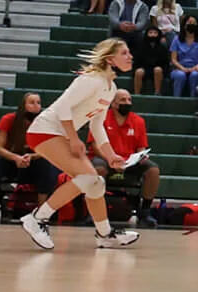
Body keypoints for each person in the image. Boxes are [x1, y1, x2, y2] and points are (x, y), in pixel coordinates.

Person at [15, 40, 140, 250]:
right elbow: (63, 106)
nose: (130, 56)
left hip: (60, 134)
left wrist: (111, 156)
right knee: (89, 178)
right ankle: (37, 218)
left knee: (95, 183)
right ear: (110, 59)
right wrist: (73, 138)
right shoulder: (91, 79)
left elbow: (97, 125)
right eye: (124, 53)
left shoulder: (111, 88)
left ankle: (104, 234)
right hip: (44, 130)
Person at [0, 92, 60, 223]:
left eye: (38, 103)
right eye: (32, 102)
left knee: (46, 163)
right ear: (23, 105)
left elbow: (49, 149)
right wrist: (16, 158)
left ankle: (42, 212)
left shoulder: (45, 122)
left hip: (33, 162)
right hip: (11, 162)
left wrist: (32, 156)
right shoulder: (8, 119)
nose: (36, 105)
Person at [96, 89, 160, 227]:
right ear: (113, 103)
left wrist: (141, 157)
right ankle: (94, 212)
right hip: (106, 159)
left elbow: (141, 147)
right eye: (123, 100)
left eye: (129, 100)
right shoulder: (101, 118)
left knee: (153, 170)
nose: (127, 103)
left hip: (129, 162)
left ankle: (145, 212)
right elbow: (95, 146)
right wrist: (111, 160)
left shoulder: (138, 121)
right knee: (98, 169)